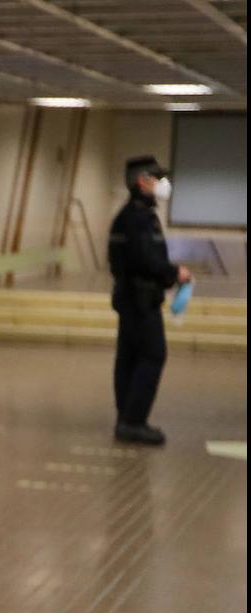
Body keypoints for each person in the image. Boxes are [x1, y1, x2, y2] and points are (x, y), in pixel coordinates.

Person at [109, 155, 192, 445]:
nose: (162, 184)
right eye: (157, 178)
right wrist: (174, 273)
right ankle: (133, 421)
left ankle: (125, 418)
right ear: (142, 181)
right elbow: (146, 260)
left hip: (132, 297)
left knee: (129, 358)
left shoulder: (132, 215)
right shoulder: (138, 218)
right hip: (140, 299)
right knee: (153, 355)